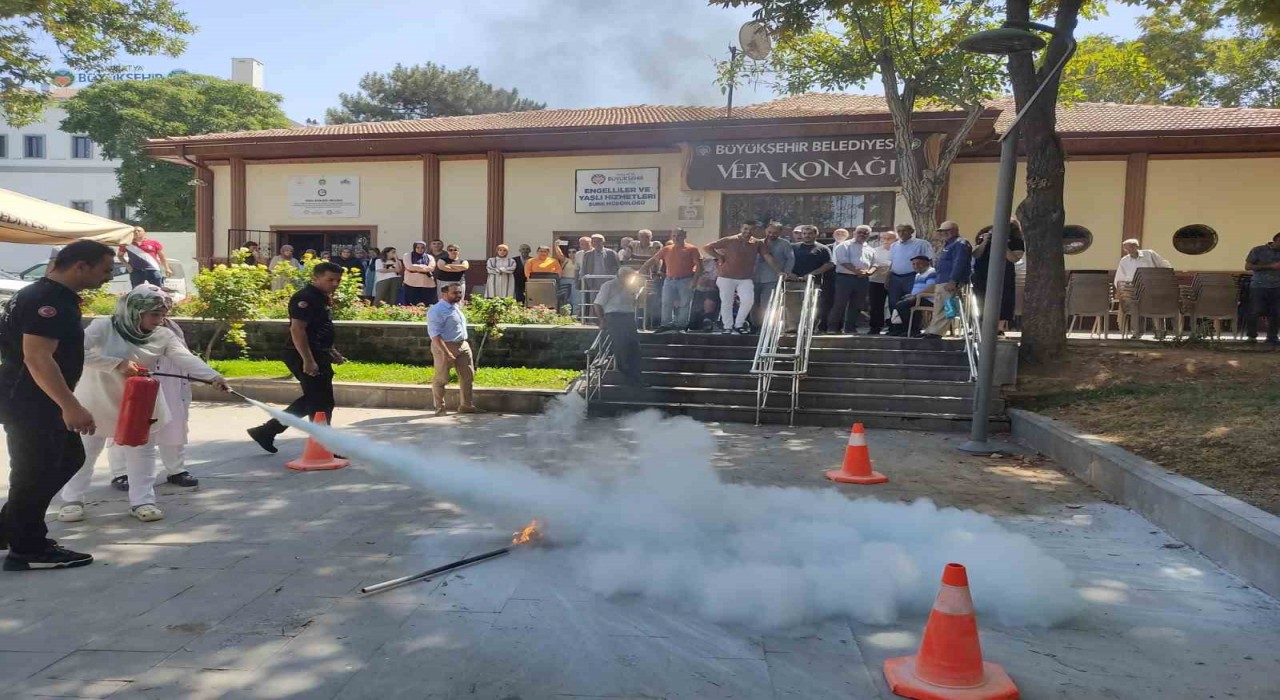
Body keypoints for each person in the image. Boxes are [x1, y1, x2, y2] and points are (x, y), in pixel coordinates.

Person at [58, 285, 229, 523]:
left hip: (140, 402)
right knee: (85, 452)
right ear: (136, 311)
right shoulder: (104, 326)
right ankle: (72, 500)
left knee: (142, 453)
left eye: (163, 315)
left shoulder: (163, 335)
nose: (159, 320)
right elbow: (76, 351)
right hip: (97, 400)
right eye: (154, 314)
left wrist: (213, 377)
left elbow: (184, 358)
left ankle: (143, 502)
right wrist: (117, 364)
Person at [0, 240, 116, 571]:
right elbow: (37, 357)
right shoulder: (48, 300)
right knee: (36, 471)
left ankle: (9, 528)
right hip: (31, 399)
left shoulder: (39, 293)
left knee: (66, 458)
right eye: (105, 270)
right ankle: (29, 548)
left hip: (34, 397)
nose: (108, 277)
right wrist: (71, 405)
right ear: (80, 266)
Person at [247, 263, 347, 454]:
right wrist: (308, 360)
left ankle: (267, 431)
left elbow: (319, 328)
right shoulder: (305, 298)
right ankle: (323, 445)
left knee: (317, 399)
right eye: (330, 279)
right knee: (320, 401)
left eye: (338, 280)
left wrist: (331, 350)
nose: (335, 284)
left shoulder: (321, 297)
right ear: (315, 278)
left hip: (318, 352)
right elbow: (297, 329)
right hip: (301, 353)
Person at [103, 316, 204, 494]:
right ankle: (121, 472)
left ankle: (176, 469)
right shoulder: (120, 327)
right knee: (127, 425)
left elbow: (183, 354)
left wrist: (205, 375)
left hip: (169, 385)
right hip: (134, 385)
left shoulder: (171, 327)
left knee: (174, 425)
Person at [705, 222, 780, 334]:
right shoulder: (730, 240)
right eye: (745, 229)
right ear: (741, 228)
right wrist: (719, 256)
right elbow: (707, 247)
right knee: (727, 302)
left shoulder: (757, 243)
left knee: (748, 301)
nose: (748, 232)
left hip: (745, 278)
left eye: (751, 229)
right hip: (726, 276)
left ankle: (739, 324)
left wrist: (779, 271)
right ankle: (727, 326)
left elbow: (767, 256)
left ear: (755, 230)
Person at [427, 282, 479, 416]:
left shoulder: (456, 306)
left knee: (468, 376)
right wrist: (446, 352)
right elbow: (435, 335)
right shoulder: (437, 310)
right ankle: (440, 408)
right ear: (445, 293)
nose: (458, 295)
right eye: (455, 293)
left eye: (460, 292)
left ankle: (466, 406)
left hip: (463, 345)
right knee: (441, 378)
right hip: (444, 346)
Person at [639, 228, 702, 333]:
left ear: (684, 236)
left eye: (679, 236)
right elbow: (653, 259)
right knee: (666, 302)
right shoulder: (667, 249)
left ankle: (681, 325)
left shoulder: (692, 249)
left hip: (686, 280)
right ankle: (666, 324)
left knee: (685, 303)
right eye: (674, 236)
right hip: (669, 280)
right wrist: (641, 270)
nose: (676, 238)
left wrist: (694, 281)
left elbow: (699, 266)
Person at [921, 221, 972, 339]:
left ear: (955, 230)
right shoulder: (948, 244)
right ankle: (932, 329)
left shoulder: (960, 243)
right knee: (939, 307)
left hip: (949, 281)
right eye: (942, 231)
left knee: (947, 306)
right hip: (941, 281)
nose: (944, 233)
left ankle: (937, 332)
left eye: (948, 231)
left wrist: (953, 280)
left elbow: (959, 262)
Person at [596, 268, 645, 386]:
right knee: (621, 346)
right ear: (621, 276)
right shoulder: (608, 285)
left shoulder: (631, 286)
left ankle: (636, 377)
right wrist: (602, 320)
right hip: (614, 316)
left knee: (634, 347)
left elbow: (635, 302)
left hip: (628, 316)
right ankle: (626, 375)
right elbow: (598, 304)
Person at [973, 223, 1026, 332]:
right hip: (983, 274)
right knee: (982, 300)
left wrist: (1002, 243)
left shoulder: (1015, 241)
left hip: (1004, 274)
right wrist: (985, 241)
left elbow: (1014, 258)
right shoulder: (985, 237)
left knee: (1004, 300)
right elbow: (976, 254)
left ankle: (999, 328)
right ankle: (981, 326)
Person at [828, 225, 878, 334]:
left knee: (857, 305)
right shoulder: (844, 245)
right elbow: (842, 261)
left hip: (862, 279)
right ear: (854, 233)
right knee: (840, 303)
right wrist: (856, 271)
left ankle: (850, 328)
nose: (862, 234)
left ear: (869, 235)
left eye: (865, 233)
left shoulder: (870, 249)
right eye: (860, 232)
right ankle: (833, 327)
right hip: (845, 278)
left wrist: (870, 272)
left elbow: (875, 264)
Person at [751, 222, 796, 328]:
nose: (771, 234)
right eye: (769, 232)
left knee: (768, 304)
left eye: (775, 233)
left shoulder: (785, 244)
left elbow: (790, 259)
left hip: (772, 278)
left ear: (780, 232)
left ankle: (767, 326)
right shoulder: (757, 242)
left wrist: (786, 273)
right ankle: (754, 325)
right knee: (753, 304)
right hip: (754, 278)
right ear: (766, 230)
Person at [887, 224, 934, 313]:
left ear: (911, 232)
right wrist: (888, 278)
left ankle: (912, 322)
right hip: (895, 278)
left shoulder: (922, 243)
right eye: (899, 231)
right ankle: (895, 322)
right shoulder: (894, 245)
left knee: (912, 302)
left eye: (904, 231)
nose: (901, 233)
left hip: (912, 277)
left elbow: (929, 261)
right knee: (893, 302)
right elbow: (892, 263)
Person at [1245, 232, 1280, 345]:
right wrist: (1271, 266)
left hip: (1277, 286)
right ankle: (1251, 336)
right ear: (1276, 240)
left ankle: (1272, 337)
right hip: (1259, 286)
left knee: (1276, 312)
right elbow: (1248, 266)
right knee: (1255, 311)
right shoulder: (1258, 250)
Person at [890, 256, 939, 336]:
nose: (916, 266)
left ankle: (913, 330)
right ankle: (903, 329)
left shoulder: (931, 272)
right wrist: (911, 295)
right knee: (898, 302)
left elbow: (931, 288)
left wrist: (915, 296)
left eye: (919, 264)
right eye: (914, 264)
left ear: (927, 263)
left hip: (929, 299)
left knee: (902, 305)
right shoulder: (918, 275)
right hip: (919, 297)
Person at [868, 230, 897, 334]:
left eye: (889, 238)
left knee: (893, 304)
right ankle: (875, 327)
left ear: (895, 239)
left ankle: (893, 327)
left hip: (894, 281)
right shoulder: (874, 251)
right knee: (876, 305)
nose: (886, 240)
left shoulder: (898, 250)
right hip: (876, 281)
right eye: (884, 238)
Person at [690, 257, 720, 331]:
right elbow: (694, 274)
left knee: (710, 296)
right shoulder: (703, 261)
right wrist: (697, 280)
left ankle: (708, 320)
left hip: (713, 290)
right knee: (693, 325)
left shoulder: (722, 263)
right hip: (698, 289)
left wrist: (711, 283)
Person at [403, 242, 437, 306]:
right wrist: (425, 267)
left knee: (427, 304)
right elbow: (409, 267)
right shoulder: (407, 255)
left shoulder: (429, 257)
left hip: (427, 284)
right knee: (411, 304)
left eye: (422, 248)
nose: (420, 249)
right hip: (411, 283)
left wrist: (416, 267)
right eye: (417, 247)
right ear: (414, 248)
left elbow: (431, 268)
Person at [556, 240, 578, 312]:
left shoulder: (580, 260)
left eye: (574, 252)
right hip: (564, 281)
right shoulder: (566, 260)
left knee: (576, 299)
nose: (571, 253)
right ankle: (564, 314)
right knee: (565, 299)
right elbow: (560, 255)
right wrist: (556, 245)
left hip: (575, 281)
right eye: (569, 252)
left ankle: (575, 315)